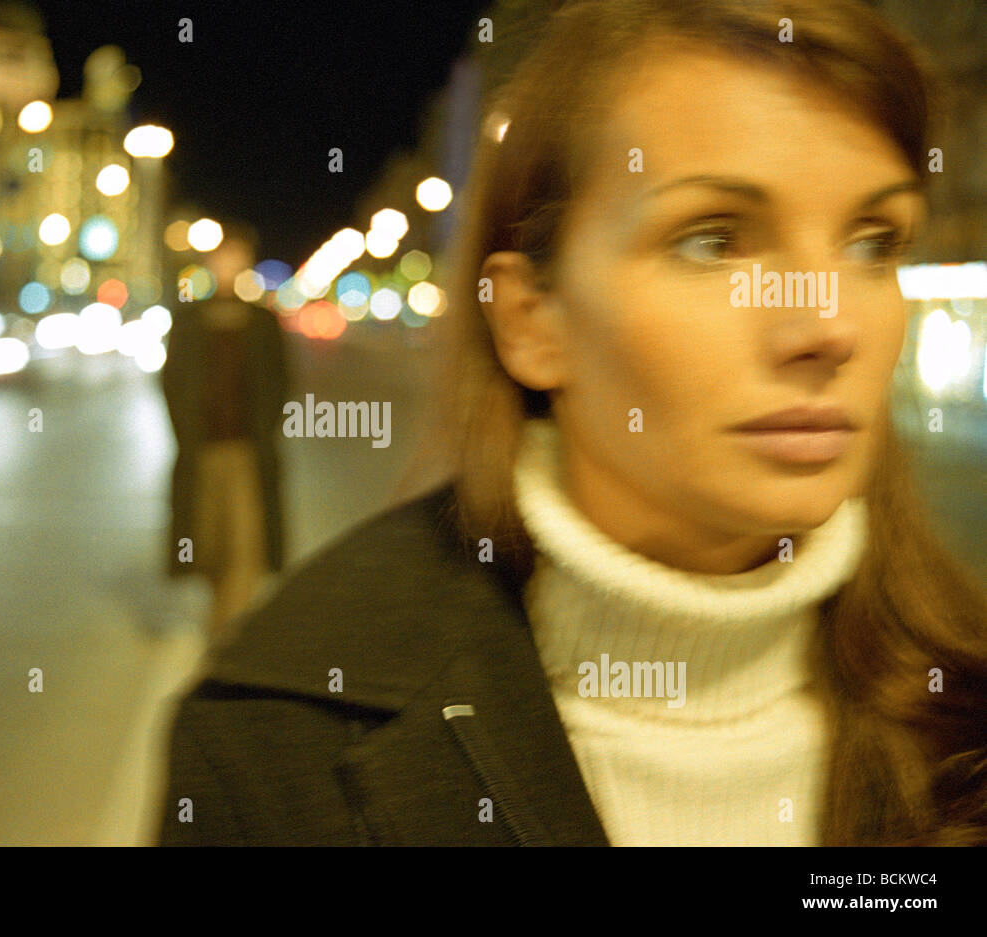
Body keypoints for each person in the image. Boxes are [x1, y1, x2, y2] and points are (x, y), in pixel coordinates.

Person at [158, 0, 987, 846]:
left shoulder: (965, 699)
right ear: (531, 321)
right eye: (713, 240)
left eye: (874, 242)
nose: (829, 325)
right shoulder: (277, 736)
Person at [160, 222, 290, 649]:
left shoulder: (262, 323)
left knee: (246, 545)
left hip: (248, 453)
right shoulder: (189, 320)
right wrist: (186, 432)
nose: (228, 266)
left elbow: (280, 383)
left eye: (236, 257)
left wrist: (265, 428)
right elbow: (171, 381)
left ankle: (226, 635)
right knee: (208, 543)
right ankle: (223, 618)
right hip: (201, 452)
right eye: (222, 257)